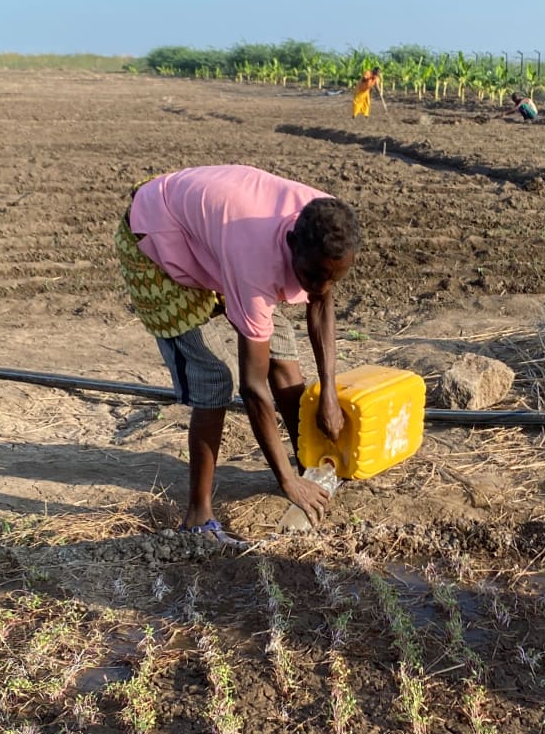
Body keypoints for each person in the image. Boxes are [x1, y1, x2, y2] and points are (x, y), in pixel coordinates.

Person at [115, 165, 362, 540]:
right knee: (216, 378)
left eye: (333, 277)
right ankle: (197, 516)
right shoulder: (255, 259)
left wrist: (328, 390)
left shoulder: (323, 222)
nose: (320, 286)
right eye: (312, 275)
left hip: (211, 238)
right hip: (157, 236)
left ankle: (308, 464)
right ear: (292, 244)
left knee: (285, 362)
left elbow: (320, 299)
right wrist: (285, 482)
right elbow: (252, 387)